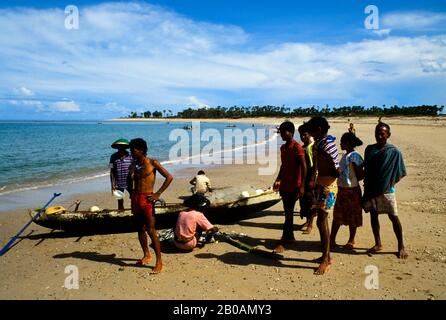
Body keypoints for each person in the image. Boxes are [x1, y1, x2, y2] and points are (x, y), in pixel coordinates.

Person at [362, 122, 408, 259]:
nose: (379, 136)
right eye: (377, 133)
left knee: (393, 217)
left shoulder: (394, 152)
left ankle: (401, 246)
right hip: (371, 189)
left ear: (388, 135)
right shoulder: (369, 149)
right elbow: (367, 169)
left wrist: (387, 183)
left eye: (382, 133)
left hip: (387, 190)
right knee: (373, 216)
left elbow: (400, 172)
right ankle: (378, 243)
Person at [127, 138, 173, 273]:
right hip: (136, 199)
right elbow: (129, 180)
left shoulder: (153, 163)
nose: (132, 153)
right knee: (140, 229)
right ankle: (146, 254)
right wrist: (131, 192)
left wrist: (158, 194)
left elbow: (169, 177)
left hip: (147, 200)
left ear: (141, 150)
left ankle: (159, 261)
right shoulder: (133, 165)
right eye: (131, 150)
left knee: (151, 230)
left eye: (133, 150)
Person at [306, 116, 339, 275]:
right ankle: (325, 255)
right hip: (320, 184)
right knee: (320, 221)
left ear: (318, 130)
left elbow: (336, 169)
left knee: (322, 220)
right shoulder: (319, 143)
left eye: (311, 131)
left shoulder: (328, 145)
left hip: (328, 186)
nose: (310, 134)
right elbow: (317, 165)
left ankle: (327, 258)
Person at [273, 121, 307, 253]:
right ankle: (290, 236)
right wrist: (278, 179)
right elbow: (283, 165)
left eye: (283, 131)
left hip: (294, 186)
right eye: (280, 131)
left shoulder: (297, 147)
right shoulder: (283, 148)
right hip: (285, 185)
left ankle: (284, 240)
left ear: (291, 133)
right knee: (288, 212)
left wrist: (302, 186)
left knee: (288, 213)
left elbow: (303, 167)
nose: (281, 134)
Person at [330, 132, 364, 249]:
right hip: (342, 189)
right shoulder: (346, 155)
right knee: (338, 215)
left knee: (352, 216)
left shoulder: (354, 156)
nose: (340, 144)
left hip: (352, 189)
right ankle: (332, 239)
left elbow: (360, 175)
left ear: (347, 143)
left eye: (342, 142)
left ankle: (351, 240)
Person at [297, 123, 315, 235]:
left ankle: (311, 224)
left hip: (310, 177)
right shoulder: (303, 147)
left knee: (311, 201)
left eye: (305, 135)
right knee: (304, 202)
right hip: (303, 177)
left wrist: (312, 179)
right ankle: (307, 221)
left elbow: (313, 165)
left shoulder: (311, 147)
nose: (303, 137)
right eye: (301, 135)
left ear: (309, 134)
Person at [109, 138, 133, 211]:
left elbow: (135, 169)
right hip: (118, 183)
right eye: (119, 146)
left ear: (126, 147)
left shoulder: (131, 156)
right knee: (120, 200)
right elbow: (111, 171)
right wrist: (112, 185)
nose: (121, 148)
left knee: (133, 198)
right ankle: (121, 213)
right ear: (117, 147)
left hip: (130, 182)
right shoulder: (113, 157)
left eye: (123, 146)